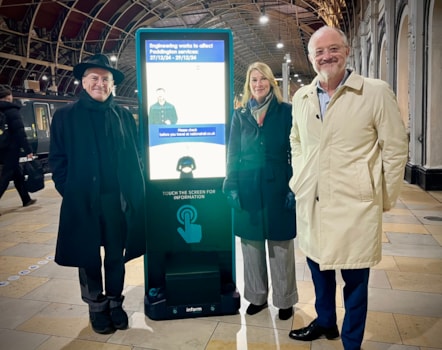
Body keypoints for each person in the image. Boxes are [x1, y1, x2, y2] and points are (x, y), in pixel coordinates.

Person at [288, 26, 408, 349]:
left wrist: (382, 195)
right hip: (313, 199)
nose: (326, 56)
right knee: (318, 268)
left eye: (333, 49)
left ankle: (351, 341)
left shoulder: (374, 92)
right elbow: (295, 139)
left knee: (355, 280)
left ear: (347, 50)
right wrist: (299, 176)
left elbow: (395, 147)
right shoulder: (302, 96)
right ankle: (326, 321)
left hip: (354, 203)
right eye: (319, 52)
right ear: (312, 58)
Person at [49, 54, 147, 334]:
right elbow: (58, 160)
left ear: (112, 84)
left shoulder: (123, 115)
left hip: (117, 201)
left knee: (116, 255)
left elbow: (137, 155)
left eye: (106, 79)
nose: (100, 84)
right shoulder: (65, 116)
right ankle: (96, 307)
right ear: (83, 81)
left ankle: (115, 302)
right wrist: (68, 190)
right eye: (95, 78)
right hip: (84, 200)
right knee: (88, 256)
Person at [223, 62, 298, 321]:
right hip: (247, 185)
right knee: (251, 245)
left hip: (279, 184)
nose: (258, 84)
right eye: (253, 80)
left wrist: (294, 186)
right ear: (248, 85)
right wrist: (231, 184)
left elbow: (298, 150)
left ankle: (285, 300)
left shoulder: (287, 112)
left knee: (281, 245)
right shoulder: (240, 115)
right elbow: (232, 152)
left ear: (271, 83)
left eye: (263, 79)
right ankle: (257, 297)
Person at [0, 84, 36, 209]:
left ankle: (26, 199)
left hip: (1, 148)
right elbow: (20, 132)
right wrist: (28, 150)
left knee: (17, 173)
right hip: (10, 149)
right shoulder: (12, 111)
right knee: (5, 177)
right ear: (9, 96)